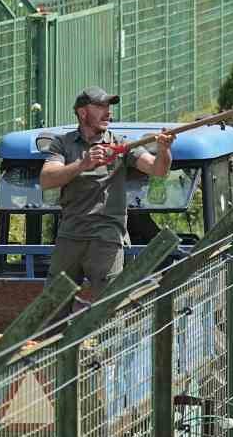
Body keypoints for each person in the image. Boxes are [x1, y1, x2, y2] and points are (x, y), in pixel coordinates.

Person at [38, 86, 175, 298]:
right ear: (83, 112)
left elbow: (158, 170)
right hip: (70, 236)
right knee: (52, 303)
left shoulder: (121, 145)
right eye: (101, 106)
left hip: (107, 239)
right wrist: (82, 164)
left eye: (109, 106)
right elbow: (47, 179)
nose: (108, 112)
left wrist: (164, 150)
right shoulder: (62, 144)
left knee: (108, 305)